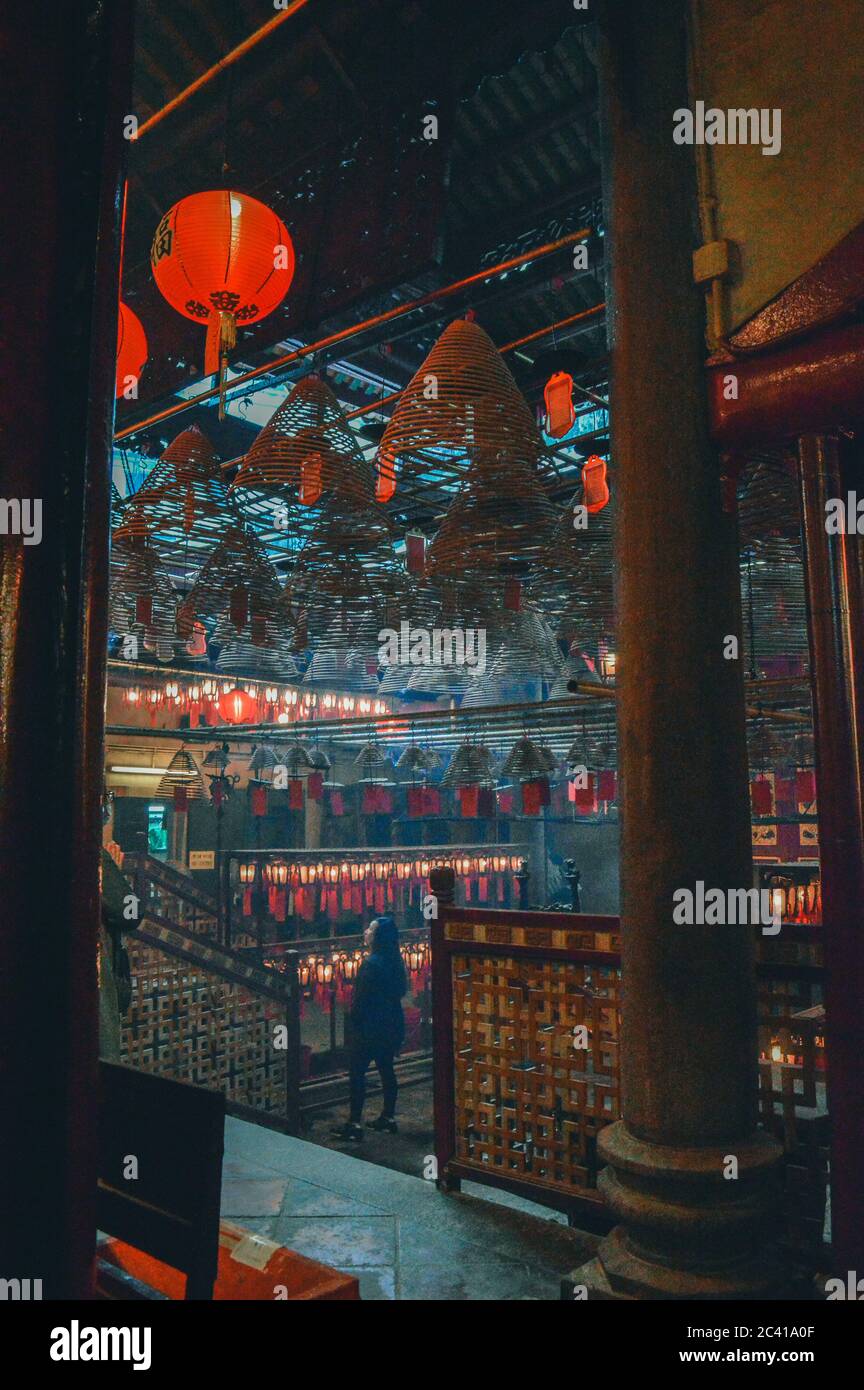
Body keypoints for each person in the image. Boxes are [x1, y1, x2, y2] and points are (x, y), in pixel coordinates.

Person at [336, 916, 407, 1141]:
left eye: (371, 930)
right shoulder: (396, 961)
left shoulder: (371, 964)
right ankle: (388, 1117)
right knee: (386, 1069)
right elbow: (401, 991)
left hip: (369, 1027)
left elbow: (360, 1000)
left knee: (357, 1073)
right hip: (391, 1024)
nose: (366, 932)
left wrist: (354, 1022)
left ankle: (354, 1123)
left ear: (378, 938)